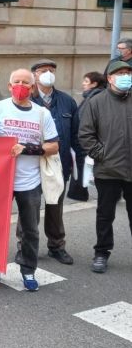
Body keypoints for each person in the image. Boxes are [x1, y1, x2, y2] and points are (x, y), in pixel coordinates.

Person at [0, 69, 59, 292]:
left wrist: (28, 149)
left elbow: (54, 146)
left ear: (33, 88)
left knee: (30, 230)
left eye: (26, 83)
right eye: (17, 82)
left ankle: (27, 270)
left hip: (30, 182)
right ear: (9, 85)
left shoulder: (41, 113)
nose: (21, 86)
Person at [78, 60, 132, 274]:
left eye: (128, 72)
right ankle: (101, 252)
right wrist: (103, 156)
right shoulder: (97, 102)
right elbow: (85, 134)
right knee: (105, 214)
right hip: (108, 170)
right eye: (120, 73)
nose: (126, 75)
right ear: (109, 78)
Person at [28, 59, 81, 265]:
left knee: (55, 207)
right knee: (29, 207)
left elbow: (76, 135)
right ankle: (26, 247)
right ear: (34, 75)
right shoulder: (27, 101)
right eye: (43, 70)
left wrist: (80, 165)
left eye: (51, 70)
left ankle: (56, 246)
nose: (48, 73)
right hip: (32, 163)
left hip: (59, 163)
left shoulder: (67, 101)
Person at [69, 72, 108, 200]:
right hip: (83, 139)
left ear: (94, 84)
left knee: (83, 166)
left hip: (85, 140)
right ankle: (78, 193)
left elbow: (85, 120)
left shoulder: (94, 97)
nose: (83, 83)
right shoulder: (91, 96)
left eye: (86, 81)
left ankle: (79, 193)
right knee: (82, 167)